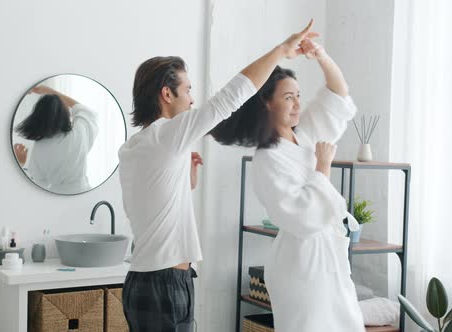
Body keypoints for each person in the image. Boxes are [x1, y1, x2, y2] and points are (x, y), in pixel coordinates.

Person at [118, 20, 319, 331]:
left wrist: (188, 177)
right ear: (166, 94)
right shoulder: (168, 135)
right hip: (163, 284)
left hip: (151, 280)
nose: (192, 99)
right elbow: (231, 97)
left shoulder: (137, 146)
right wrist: (281, 50)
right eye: (187, 89)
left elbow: (153, 203)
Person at [210, 38, 364, 331]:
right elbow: (301, 218)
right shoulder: (267, 159)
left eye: (298, 96)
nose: (297, 104)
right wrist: (322, 167)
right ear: (267, 102)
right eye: (288, 98)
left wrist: (321, 56)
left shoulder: (304, 133)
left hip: (328, 257)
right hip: (301, 265)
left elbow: (338, 96)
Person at [14, 86, 98, 194]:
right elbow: (85, 111)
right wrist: (52, 92)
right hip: (85, 193)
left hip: (55, 198)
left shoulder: (39, 147)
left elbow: (38, 183)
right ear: (66, 114)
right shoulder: (78, 133)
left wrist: (21, 163)